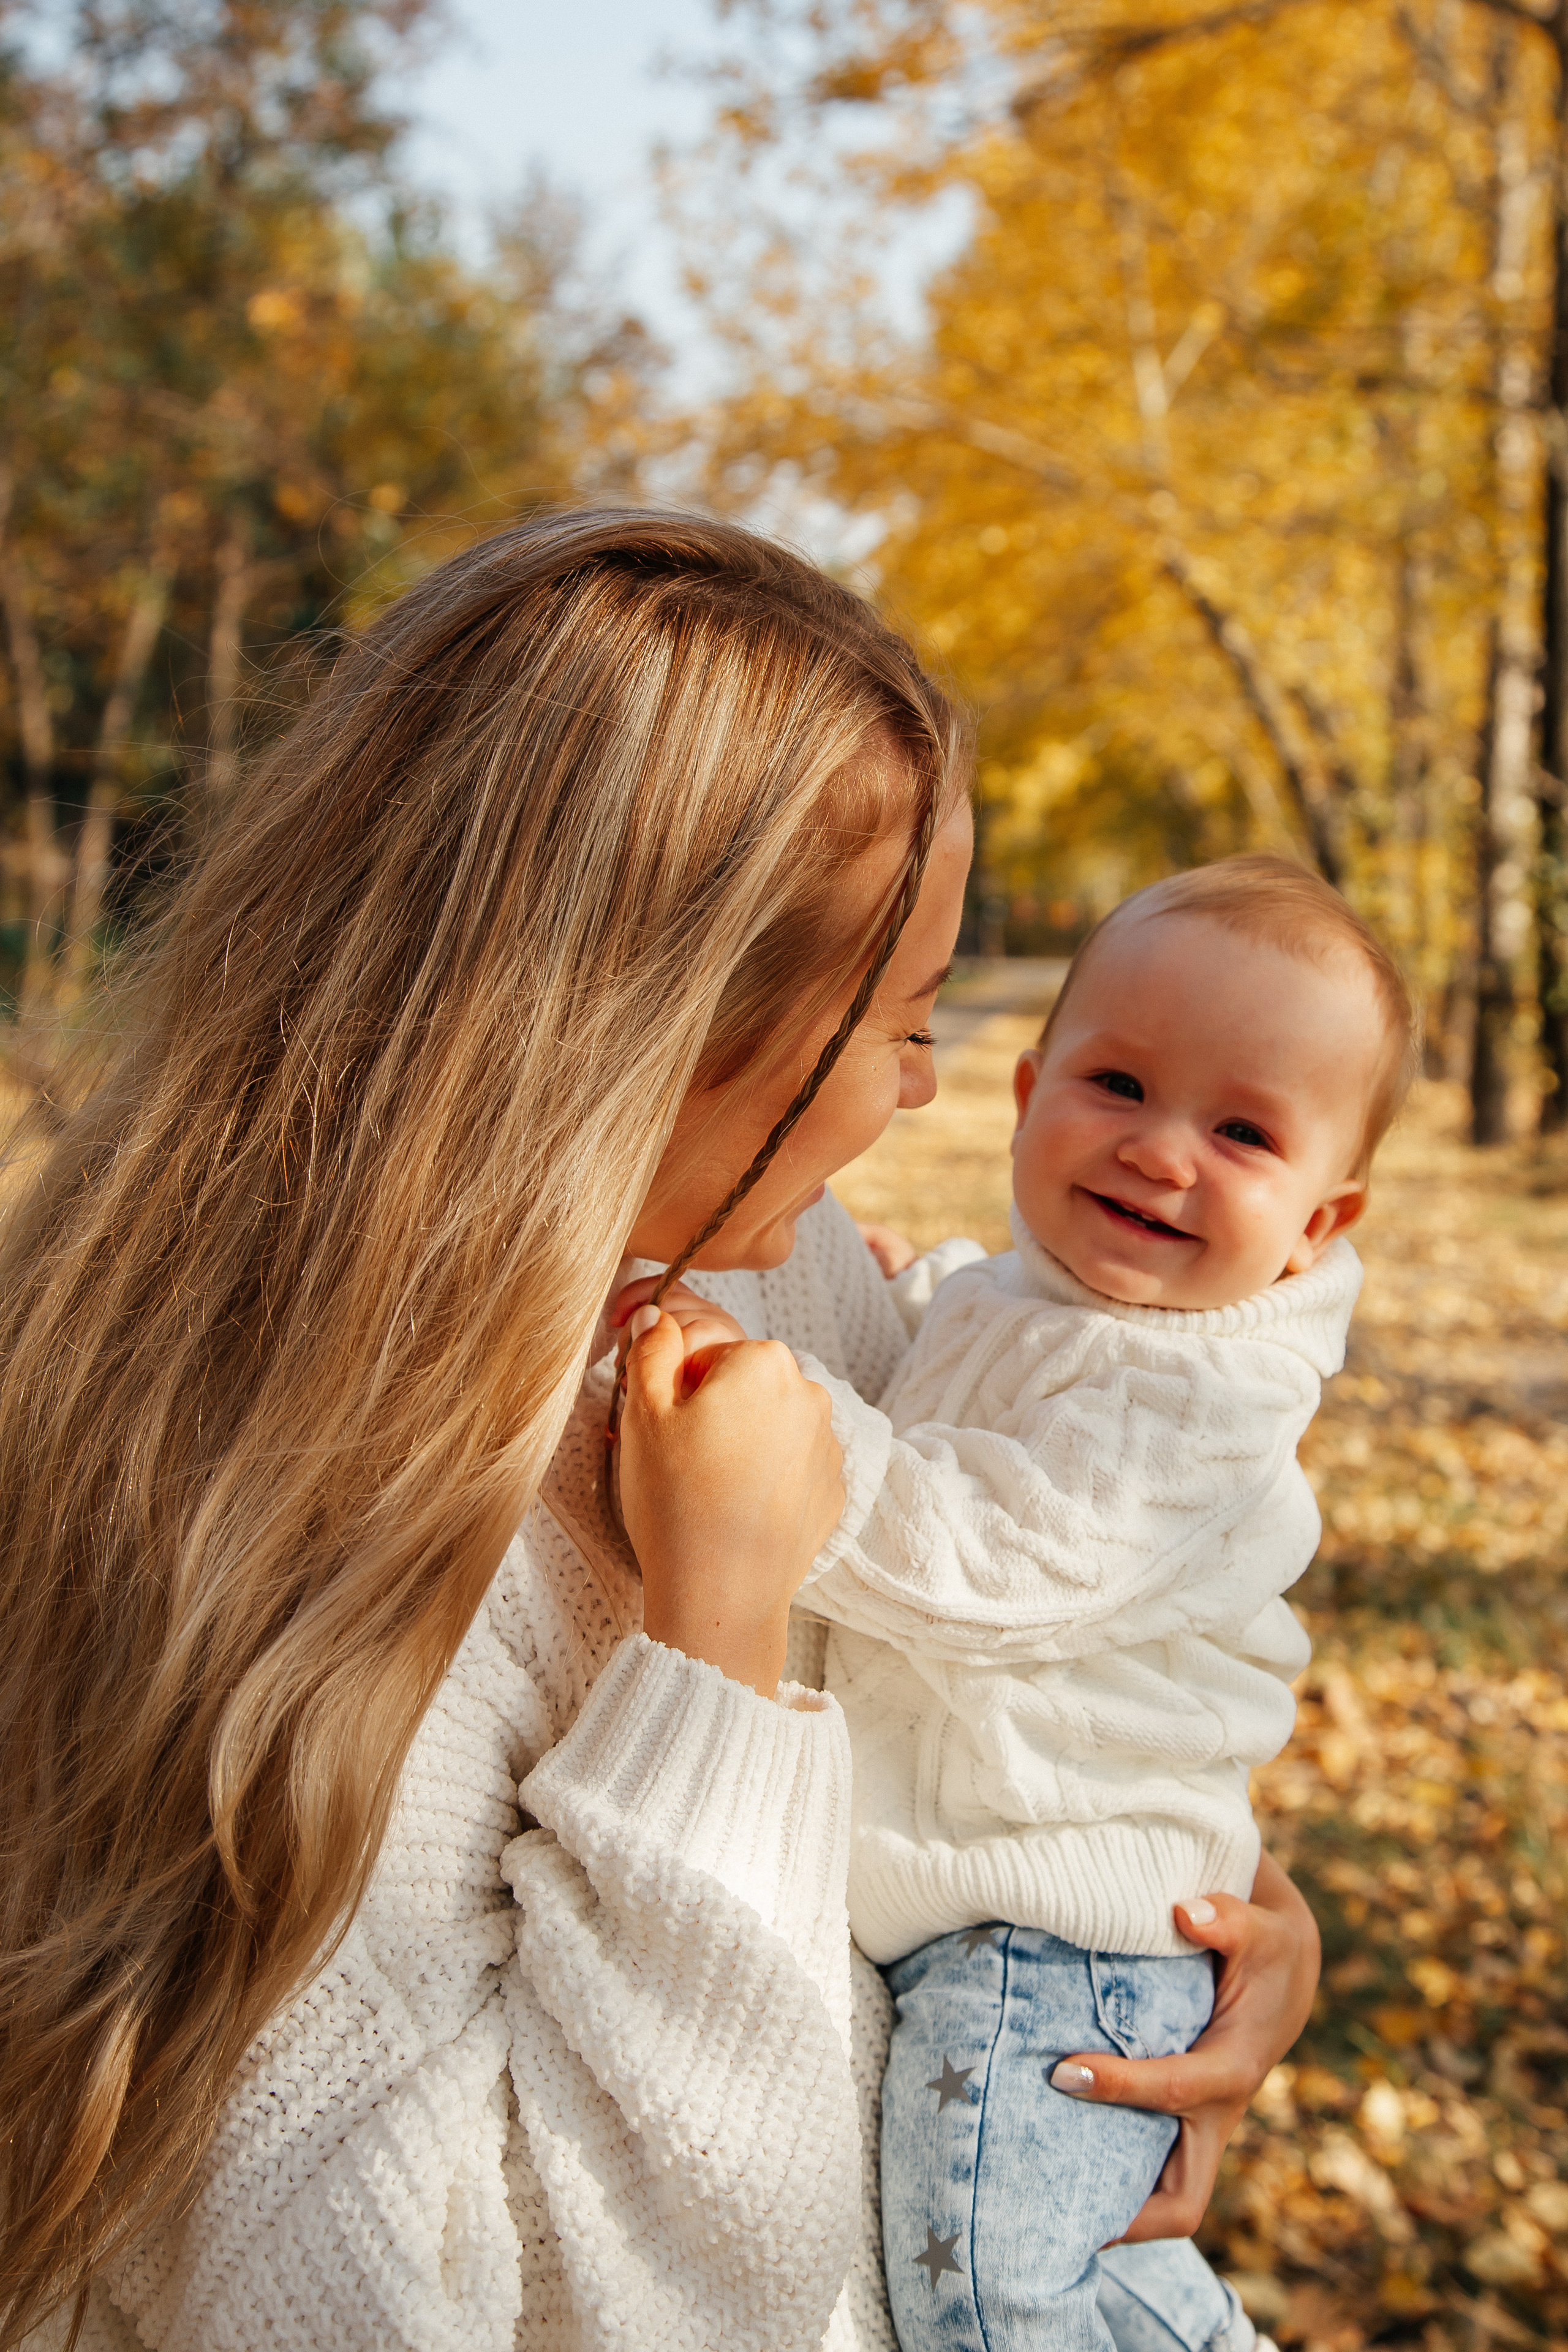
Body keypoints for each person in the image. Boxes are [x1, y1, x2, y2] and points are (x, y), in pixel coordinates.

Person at [1, 513, 1319, 2352]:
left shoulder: (756, 1268)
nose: (926, 1085)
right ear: (664, 1024)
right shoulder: (288, 1522)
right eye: (903, 1023)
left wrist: (1190, 1911)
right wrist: (711, 1651)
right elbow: (498, 2298)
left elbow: (987, 1660)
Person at [640, 857, 1414, 2351]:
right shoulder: (1044, 1296)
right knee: (1071, 2276)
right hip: (1004, 1921)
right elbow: (987, 1378)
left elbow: (993, 1557)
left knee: (987, 2303)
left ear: (1318, 1223)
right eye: (1117, 1085)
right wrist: (897, 1303)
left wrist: (785, 1422)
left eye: (1241, 1131)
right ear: (1026, 1092)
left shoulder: (1202, 1410)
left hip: (1049, 1947)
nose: (1160, 1151)